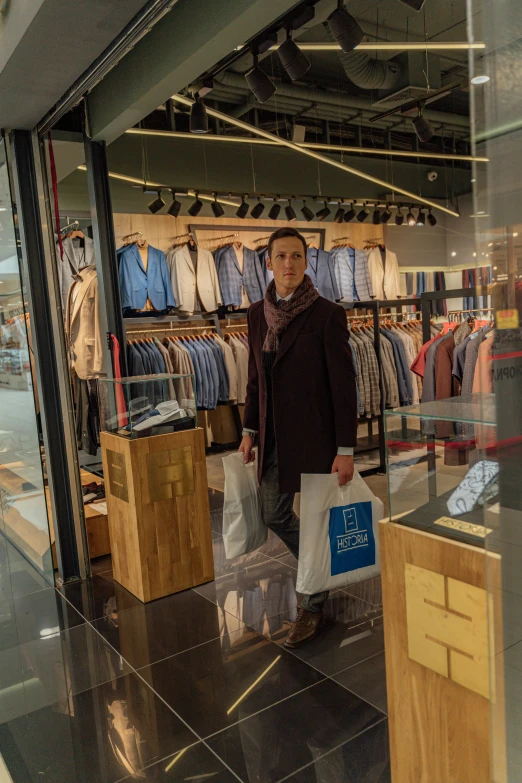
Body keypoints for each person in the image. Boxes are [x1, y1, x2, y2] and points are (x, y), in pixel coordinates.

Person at [240, 227, 358, 648]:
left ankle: (311, 604)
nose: (288, 264)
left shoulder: (327, 314)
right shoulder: (257, 314)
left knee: (316, 519)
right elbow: (255, 378)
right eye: (280, 256)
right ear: (268, 263)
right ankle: (320, 569)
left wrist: (346, 449)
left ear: (306, 262)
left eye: (296, 256)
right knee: (274, 514)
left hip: (316, 440)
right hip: (273, 437)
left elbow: (344, 387)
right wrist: (249, 430)